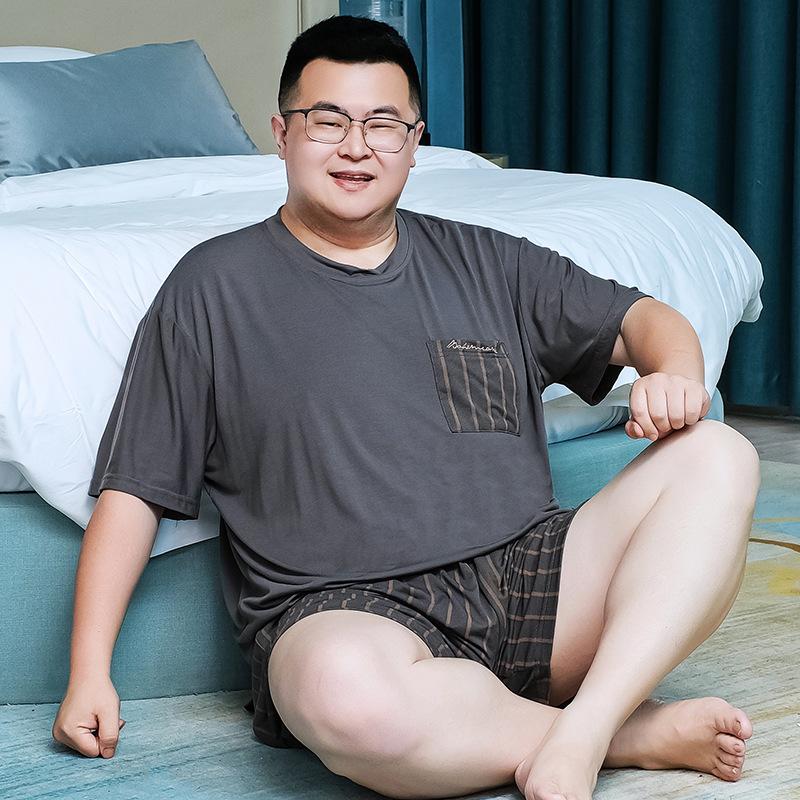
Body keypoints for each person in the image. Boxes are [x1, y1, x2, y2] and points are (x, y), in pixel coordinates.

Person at [52, 14, 760, 800]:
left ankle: (585, 730)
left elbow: (645, 319)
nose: (356, 147)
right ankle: (624, 734)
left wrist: (677, 371)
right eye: (329, 121)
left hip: (533, 576)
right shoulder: (211, 287)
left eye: (383, 124)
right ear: (282, 134)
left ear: (416, 142)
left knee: (717, 454)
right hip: (343, 610)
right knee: (346, 697)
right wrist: (88, 672)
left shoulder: (487, 258)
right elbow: (135, 490)